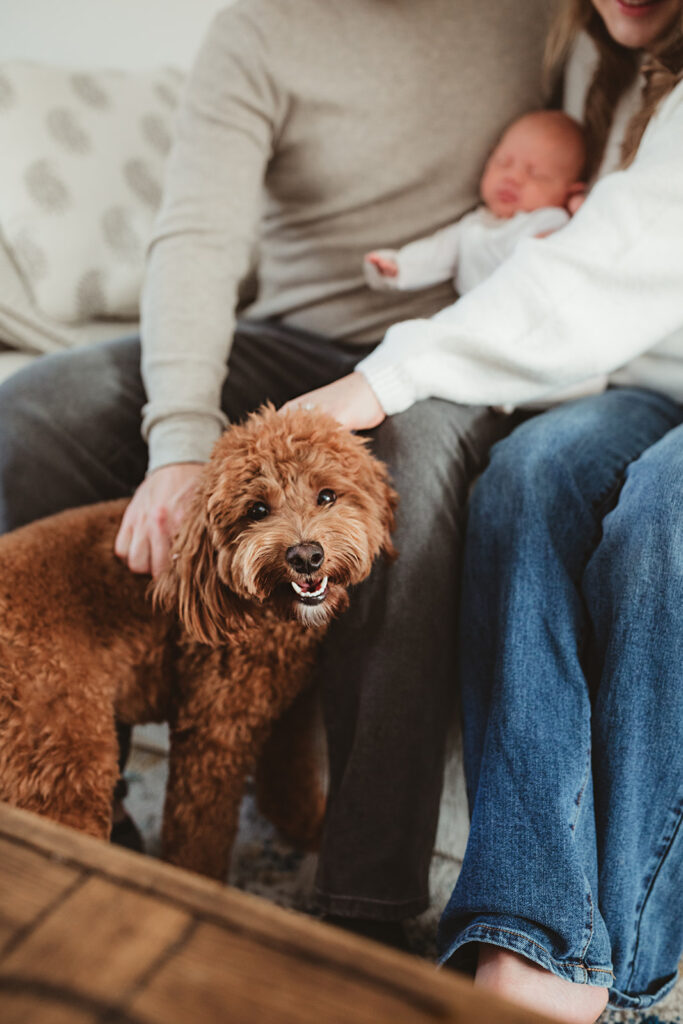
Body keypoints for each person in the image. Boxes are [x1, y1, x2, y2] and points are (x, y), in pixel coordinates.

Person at [0, 0, 557, 947]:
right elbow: (197, 237)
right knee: (32, 414)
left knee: (409, 485)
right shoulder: (259, 29)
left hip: (441, 353)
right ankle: (81, 818)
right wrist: (180, 440)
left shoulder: (540, 18)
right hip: (288, 338)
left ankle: (366, 906)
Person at [290, 0, 683, 1019]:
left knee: (657, 525)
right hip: (634, 377)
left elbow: (611, 259)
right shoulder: (593, 69)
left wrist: (384, 378)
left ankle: (619, 965)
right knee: (520, 477)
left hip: (639, 369)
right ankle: (529, 921)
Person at [364, 110, 586, 296]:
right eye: (503, 162)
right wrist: (399, 266)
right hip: (475, 320)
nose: (513, 177)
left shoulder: (549, 219)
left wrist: (581, 213)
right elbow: (435, 254)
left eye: (537, 175)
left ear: (569, 192)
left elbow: (581, 249)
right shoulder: (472, 226)